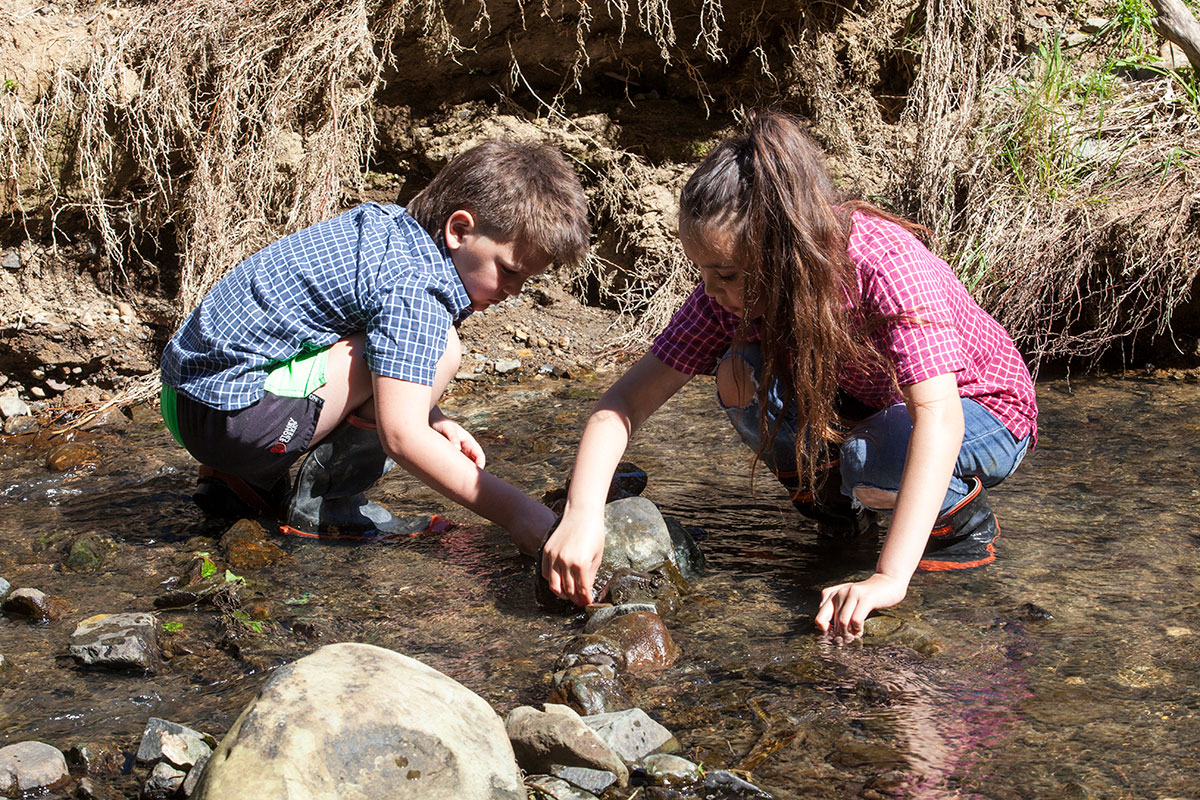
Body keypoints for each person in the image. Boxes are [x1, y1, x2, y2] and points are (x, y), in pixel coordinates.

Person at [541, 112, 1036, 641]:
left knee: (870, 457)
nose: (710, 291)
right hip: (865, 405)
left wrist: (889, 577)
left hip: (981, 407)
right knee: (738, 374)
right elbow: (625, 403)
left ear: (785, 250)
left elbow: (938, 417)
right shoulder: (728, 295)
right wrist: (583, 514)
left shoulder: (884, 265)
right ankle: (839, 514)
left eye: (725, 275)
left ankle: (960, 534)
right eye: (701, 272)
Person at [160, 140, 590, 553]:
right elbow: (401, 437)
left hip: (189, 399)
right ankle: (328, 507)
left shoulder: (391, 231)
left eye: (525, 280)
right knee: (441, 349)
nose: (514, 290)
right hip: (235, 423)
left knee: (401, 357)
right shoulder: (417, 287)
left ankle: (241, 482)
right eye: (509, 271)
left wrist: (433, 415)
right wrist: (519, 514)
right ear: (459, 229)